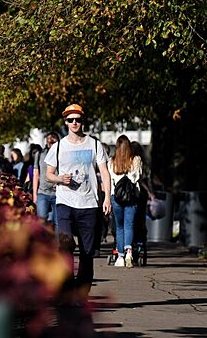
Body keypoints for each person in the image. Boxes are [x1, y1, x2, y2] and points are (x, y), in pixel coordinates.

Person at [44, 104, 111, 303]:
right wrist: (59, 179)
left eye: (78, 119)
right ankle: (64, 291)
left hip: (89, 203)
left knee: (87, 252)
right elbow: (48, 174)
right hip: (65, 202)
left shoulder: (94, 144)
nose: (74, 123)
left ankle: (81, 294)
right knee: (65, 245)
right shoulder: (58, 147)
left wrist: (107, 197)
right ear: (65, 122)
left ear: (83, 121)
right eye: (70, 120)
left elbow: (105, 173)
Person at [108, 135, 142, 268]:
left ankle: (120, 256)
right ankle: (129, 252)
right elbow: (138, 177)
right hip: (131, 197)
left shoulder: (112, 162)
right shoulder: (136, 160)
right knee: (129, 225)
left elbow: (110, 181)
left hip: (116, 197)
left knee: (119, 227)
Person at [33, 132, 60, 227]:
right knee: (41, 220)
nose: (50, 144)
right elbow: (36, 174)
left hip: (58, 193)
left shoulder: (62, 154)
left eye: (53, 142)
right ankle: (43, 241)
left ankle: (57, 241)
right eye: (48, 142)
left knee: (58, 222)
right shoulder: (40, 154)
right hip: (42, 192)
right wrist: (34, 195)